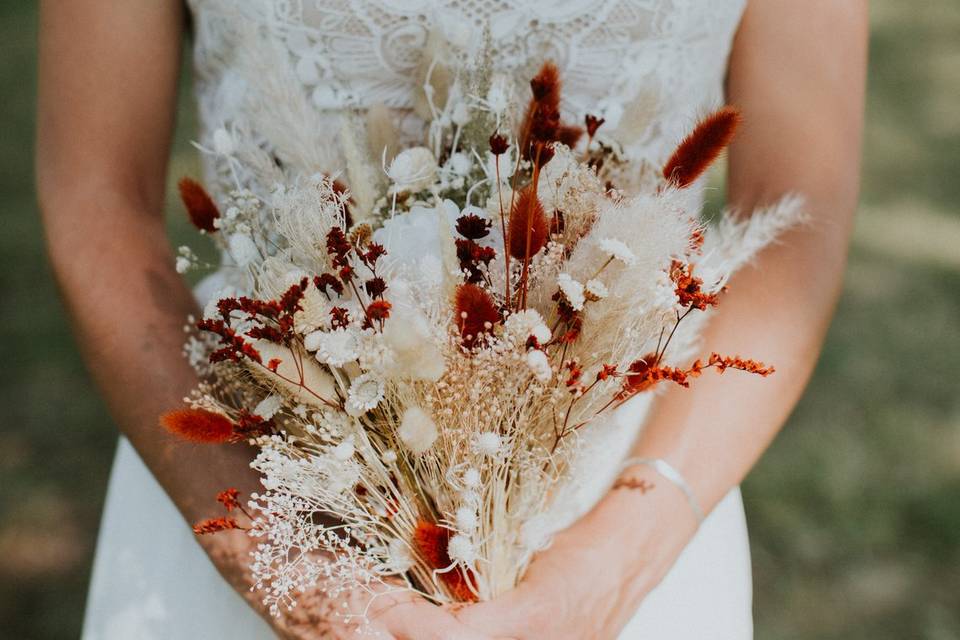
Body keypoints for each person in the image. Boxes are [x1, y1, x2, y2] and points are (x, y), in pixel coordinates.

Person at [36, 1, 867, 638]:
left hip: (636, 506)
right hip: (260, 470)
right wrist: (267, 551)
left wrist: (621, 558)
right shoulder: (263, 534)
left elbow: (797, 215)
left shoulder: (627, 554)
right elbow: (97, 194)